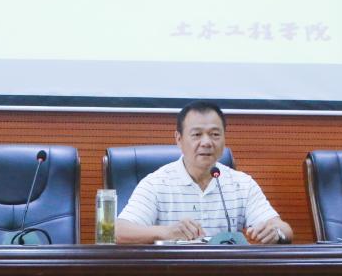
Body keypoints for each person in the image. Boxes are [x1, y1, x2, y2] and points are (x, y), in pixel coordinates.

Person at [115, 100, 293, 244]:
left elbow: (284, 229)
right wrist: (166, 232)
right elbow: (118, 231)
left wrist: (276, 232)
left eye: (215, 134)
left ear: (224, 139)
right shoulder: (156, 183)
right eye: (197, 134)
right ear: (179, 139)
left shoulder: (242, 184)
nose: (207, 142)